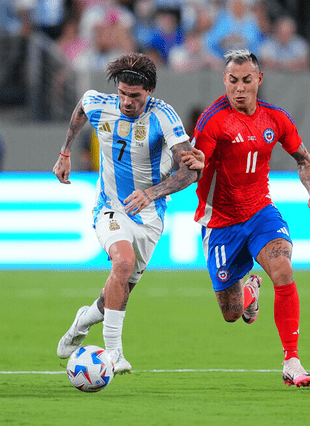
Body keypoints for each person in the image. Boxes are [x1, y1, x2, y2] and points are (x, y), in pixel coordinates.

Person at [182, 49, 310, 388]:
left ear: (259, 80)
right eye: (233, 81)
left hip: (260, 212)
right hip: (220, 222)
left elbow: (304, 159)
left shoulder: (275, 118)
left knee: (283, 269)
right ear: (224, 81)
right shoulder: (212, 121)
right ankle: (249, 292)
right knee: (232, 314)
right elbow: (193, 167)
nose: (240, 88)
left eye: (247, 80)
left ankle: (292, 360)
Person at [52, 52, 201, 374]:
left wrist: (151, 193)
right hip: (109, 206)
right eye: (122, 93)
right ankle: (114, 354)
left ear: (149, 92)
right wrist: (65, 153)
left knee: (115, 297)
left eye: (134, 96)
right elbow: (80, 109)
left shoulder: (164, 116)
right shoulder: (98, 103)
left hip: (149, 215)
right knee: (122, 262)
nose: (126, 102)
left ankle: (82, 321)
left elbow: (190, 172)